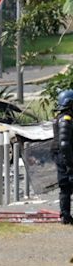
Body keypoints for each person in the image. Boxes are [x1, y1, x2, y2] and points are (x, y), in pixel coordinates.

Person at [51, 89, 73, 224]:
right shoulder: (66, 119)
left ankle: (65, 216)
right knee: (66, 186)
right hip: (65, 156)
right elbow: (64, 143)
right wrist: (70, 163)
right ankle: (65, 216)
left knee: (66, 187)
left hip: (63, 156)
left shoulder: (63, 117)